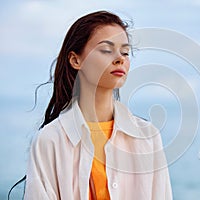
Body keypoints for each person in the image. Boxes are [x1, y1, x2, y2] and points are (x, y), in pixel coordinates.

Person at [23, 11, 172, 200]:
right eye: (107, 50)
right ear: (76, 60)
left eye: (125, 52)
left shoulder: (148, 137)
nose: (120, 59)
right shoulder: (50, 140)